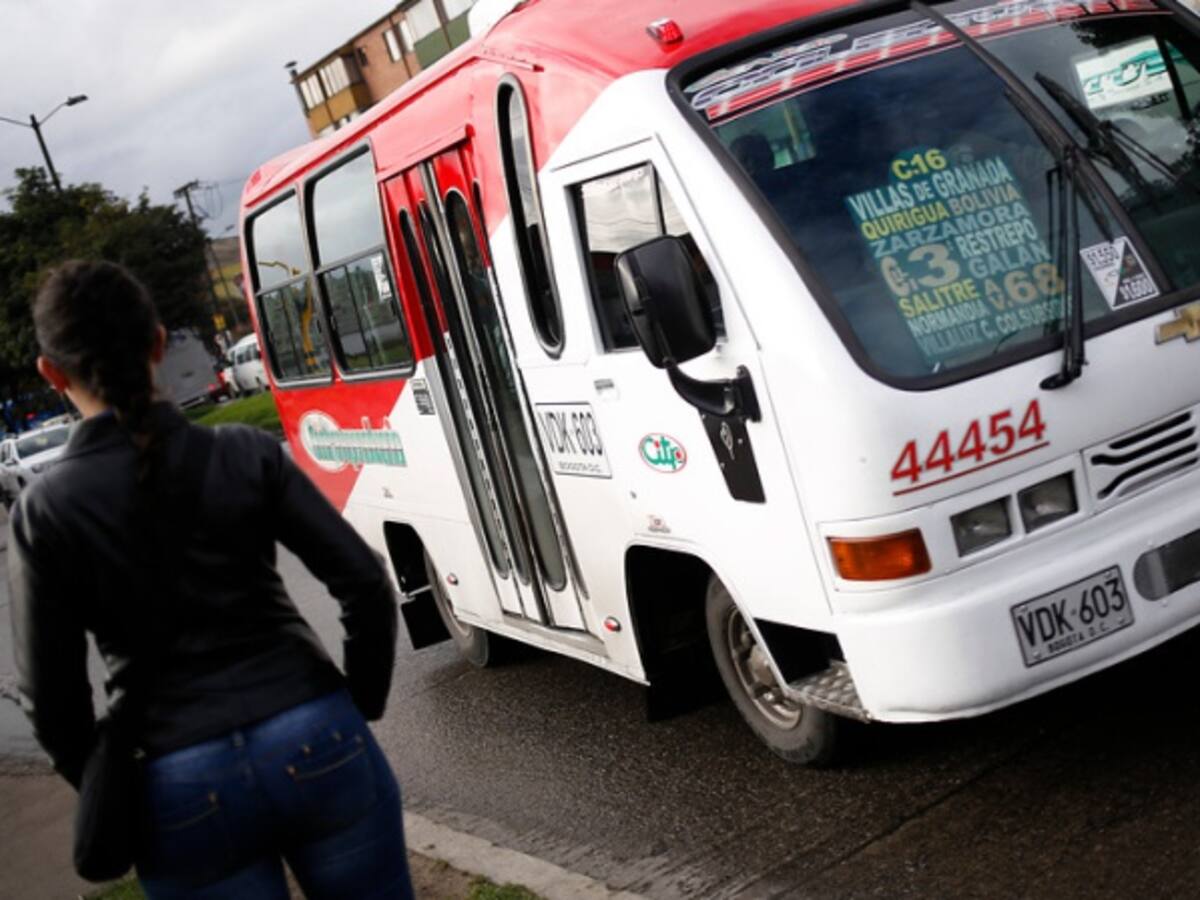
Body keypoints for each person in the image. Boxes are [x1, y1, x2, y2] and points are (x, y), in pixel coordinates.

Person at [8, 260, 413, 899]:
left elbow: (52, 701)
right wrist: (352, 704)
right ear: (159, 344)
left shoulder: (44, 512)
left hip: (174, 781)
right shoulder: (243, 454)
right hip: (314, 730)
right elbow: (362, 581)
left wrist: (106, 782)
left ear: (51, 373)